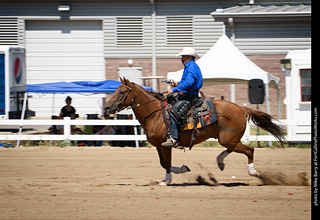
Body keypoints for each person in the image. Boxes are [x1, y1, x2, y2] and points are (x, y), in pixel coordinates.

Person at [161, 47, 203, 147]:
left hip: (190, 97)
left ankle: (174, 138)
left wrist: (174, 89)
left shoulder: (191, 66)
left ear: (189, 57)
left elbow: (189, 82)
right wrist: (177, 83)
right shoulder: (190, 66)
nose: (181, 58)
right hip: (188, 94)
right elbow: (187, 82)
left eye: (183, 56)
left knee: (173, 112)